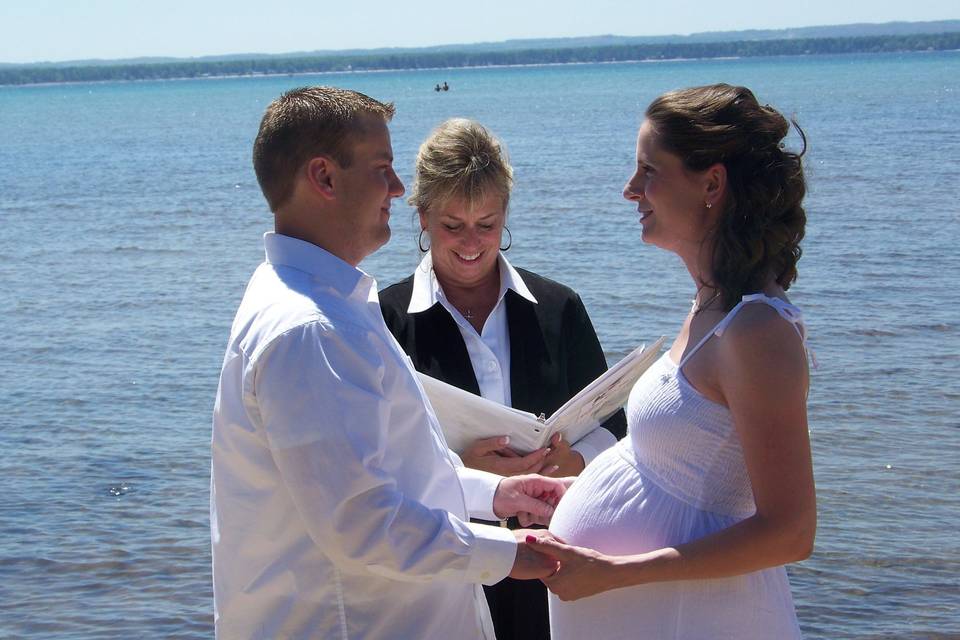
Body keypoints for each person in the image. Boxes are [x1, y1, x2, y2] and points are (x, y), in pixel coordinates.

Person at [210, 86, 568, 640]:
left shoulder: (328, 307)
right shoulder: (310, 329)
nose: (400, 190)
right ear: (324, 178)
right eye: (383, 169)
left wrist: (495, 493)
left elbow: (394, 476)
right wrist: (512, 553)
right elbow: (361, 524)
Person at [527, 84, 817, 639]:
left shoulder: (757, 331)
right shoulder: (712, 304)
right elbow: (683, 470)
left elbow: (791, 531)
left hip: (700, 616)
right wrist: (580, 496)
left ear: (711, 183)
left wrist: (617, 570)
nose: (630, 190)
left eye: (648, 171)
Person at [380, 118, 627, 640]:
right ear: (422, 217)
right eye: (452, 226)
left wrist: (575, 460)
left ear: (506, 215)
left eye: (487, 224)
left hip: (556, 552)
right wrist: (462, 472)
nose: (471, 243)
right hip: (448, 563)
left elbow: (619, 426)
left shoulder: (559, 307)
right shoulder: (384, 321)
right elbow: (376, 462)